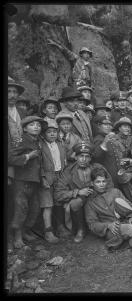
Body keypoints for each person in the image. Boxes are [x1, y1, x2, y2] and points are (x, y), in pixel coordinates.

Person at [54, 142, 113, 243]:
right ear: (76, 157)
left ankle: (106, 224)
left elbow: (110, 185)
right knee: (75, 203)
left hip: (98, 199)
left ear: (90, 158)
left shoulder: (97, 167)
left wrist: (101, 191)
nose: (84, 159)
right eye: (81, 156)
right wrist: (77, 192)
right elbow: (58, 194)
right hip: (82, 201)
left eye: (87, 157)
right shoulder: (68, 171)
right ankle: (81, 229)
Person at [8, 116, 47, 248]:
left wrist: (43, 178)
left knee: (34, 208)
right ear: (24, 128)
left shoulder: (38, 141)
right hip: (22, 181)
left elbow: (40, 163)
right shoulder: (21, 140)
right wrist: (28, 156)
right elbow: (10, 158)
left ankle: (25, 231)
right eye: (32, 125)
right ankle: (17, 237)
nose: (36, 126)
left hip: (34, 181)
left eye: (38, 125)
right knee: (21, 209)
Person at [39, 119, 67, 243]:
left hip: (59, 176)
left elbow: (63, 161)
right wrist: (43, 178)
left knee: (59, 201)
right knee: (47, 204)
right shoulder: (41, 145)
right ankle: (48, 231)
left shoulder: (60, 144)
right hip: (47, 177)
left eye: (54, 132)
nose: (52, 134)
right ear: (44, 134)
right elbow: (38, 164)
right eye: (49, 132)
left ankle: (60, 227)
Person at [8, 78, 27, 186]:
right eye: (9, 91)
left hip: (22, 158)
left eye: (15, 92)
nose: (12, 95)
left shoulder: (22, 112)